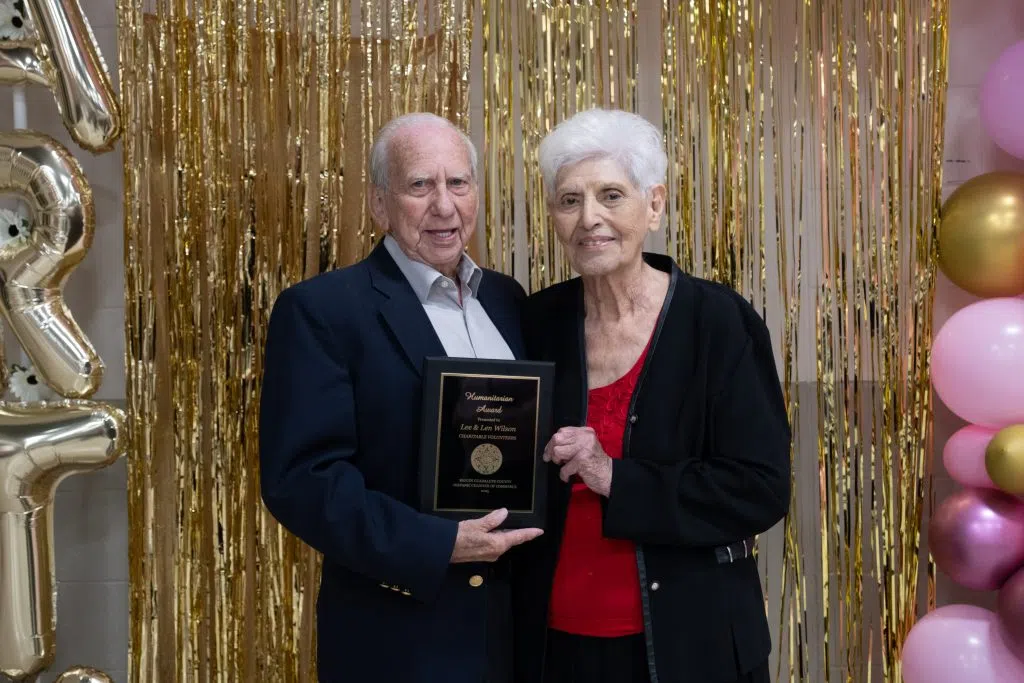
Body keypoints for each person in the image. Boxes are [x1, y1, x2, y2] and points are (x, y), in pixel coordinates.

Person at [259, 112, 543, 683]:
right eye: (420, 185)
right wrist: (438, 544)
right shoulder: (323, 310)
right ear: (379, 204)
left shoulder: (509, 300)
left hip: (512, 630)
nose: (444, 205)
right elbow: (302, 481)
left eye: (458, 183)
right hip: (399, 637)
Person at [512, 108, 792, 683]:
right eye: (569, 200)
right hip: (552, 645)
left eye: (611, 195)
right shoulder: (534, 322)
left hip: (691, 646)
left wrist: (613, 476)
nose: (589, 218)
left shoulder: (718, 321)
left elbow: (760, 490)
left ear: (655, 204)